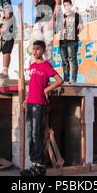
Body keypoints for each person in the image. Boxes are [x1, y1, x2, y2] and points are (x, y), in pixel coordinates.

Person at [21, 40, 64, 176]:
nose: (35, 52)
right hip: (30, 102)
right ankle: (33, 163)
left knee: (36, 133)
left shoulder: (46, 65)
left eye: (38, 49)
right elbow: (32, 85)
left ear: (44, 50)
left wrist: (46, 90)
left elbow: (59, 80)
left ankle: (39, 166)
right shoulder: (32, 66)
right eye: (33, 49)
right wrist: (27, 99)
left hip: (39, 103)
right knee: (29, 134)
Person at [30, 0, 62, 65]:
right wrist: (36, 3)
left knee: (48, 45)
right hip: (39, 20)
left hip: (49, 19)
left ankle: (47, 70)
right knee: (35, 44)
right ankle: (34, 68)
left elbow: (58, 3)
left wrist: (53, 18)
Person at [59, 0, 84, 83]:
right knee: (64, 61)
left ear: (71, 5)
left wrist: (76, 32)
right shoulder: (61, 16)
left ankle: (73, 79)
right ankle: (66, 79)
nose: (66, 7)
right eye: (65, 5)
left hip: (72, 41)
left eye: (68, 5)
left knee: (72, 59)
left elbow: (81, 26)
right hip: (62, 40)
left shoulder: (76, 15)